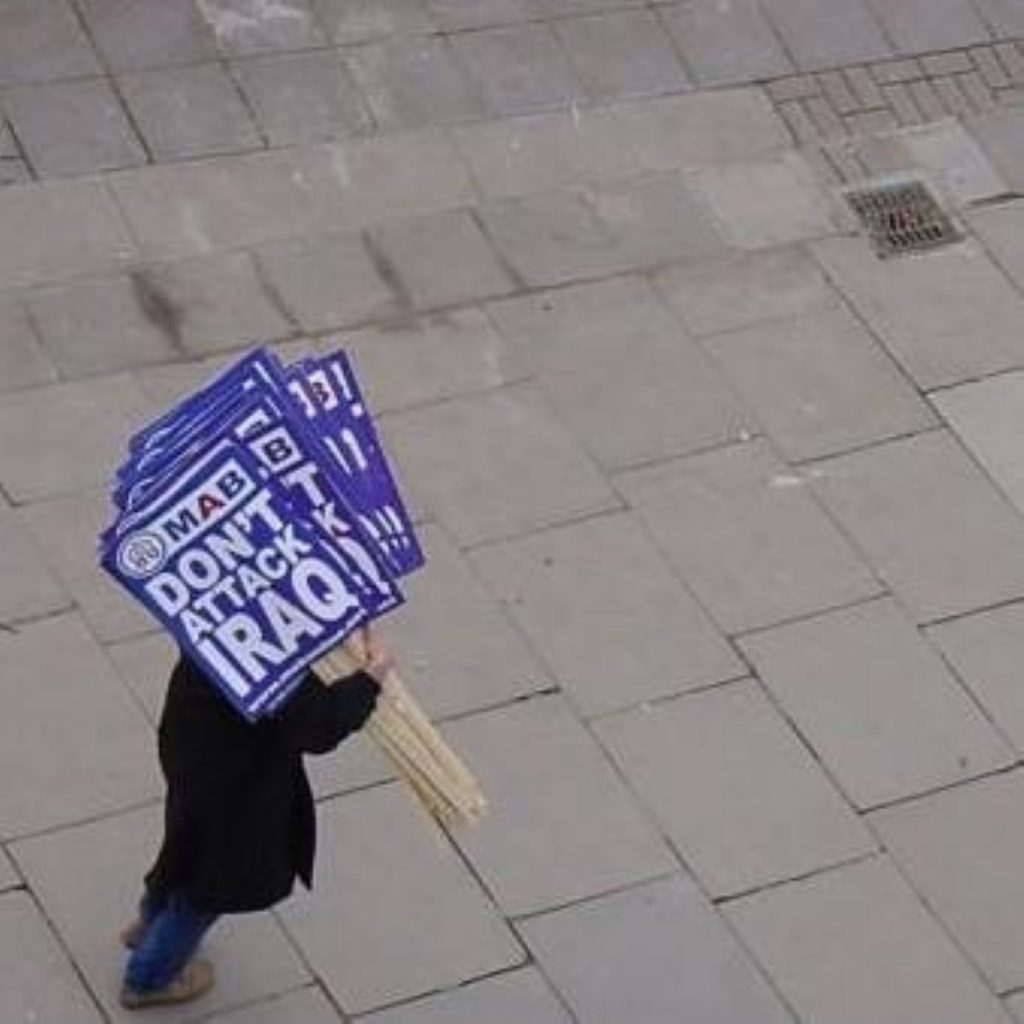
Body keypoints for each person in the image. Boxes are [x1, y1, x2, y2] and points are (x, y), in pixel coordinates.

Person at [118, 632, 393, 1010]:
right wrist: (369, 680)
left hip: (191, 751)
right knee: (209, 887)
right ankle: (149, 978)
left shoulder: (219, 612)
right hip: (239, 790)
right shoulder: (274, 657)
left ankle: (148, 922)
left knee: (182, 847)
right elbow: (316, 728)